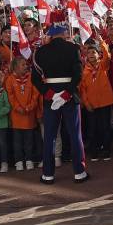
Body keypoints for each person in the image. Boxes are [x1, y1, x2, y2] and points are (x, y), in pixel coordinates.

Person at [32, 13, 89, 184]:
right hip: (69, 96)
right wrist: (66, 93)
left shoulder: (41, 51)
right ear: (64, 29)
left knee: (49, 136)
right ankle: (79, 172)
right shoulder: (73, 49)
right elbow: (78, 75)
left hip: (50, 96)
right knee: (75, 135)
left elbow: (35, 78)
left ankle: (48, 174)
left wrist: (50, 94)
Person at [7, 56, 40, 170]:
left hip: (29, 115)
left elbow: (36, 94)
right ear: (15, 67)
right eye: (23, 64)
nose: (26, 66)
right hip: (16, 116)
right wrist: (17, 107)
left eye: (26, 64)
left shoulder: (31, 78)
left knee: (29, 140)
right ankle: (19, 161)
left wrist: (29, 107)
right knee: (17, 141)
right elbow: (10, 96)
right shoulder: (10, 79)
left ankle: (29, 159)